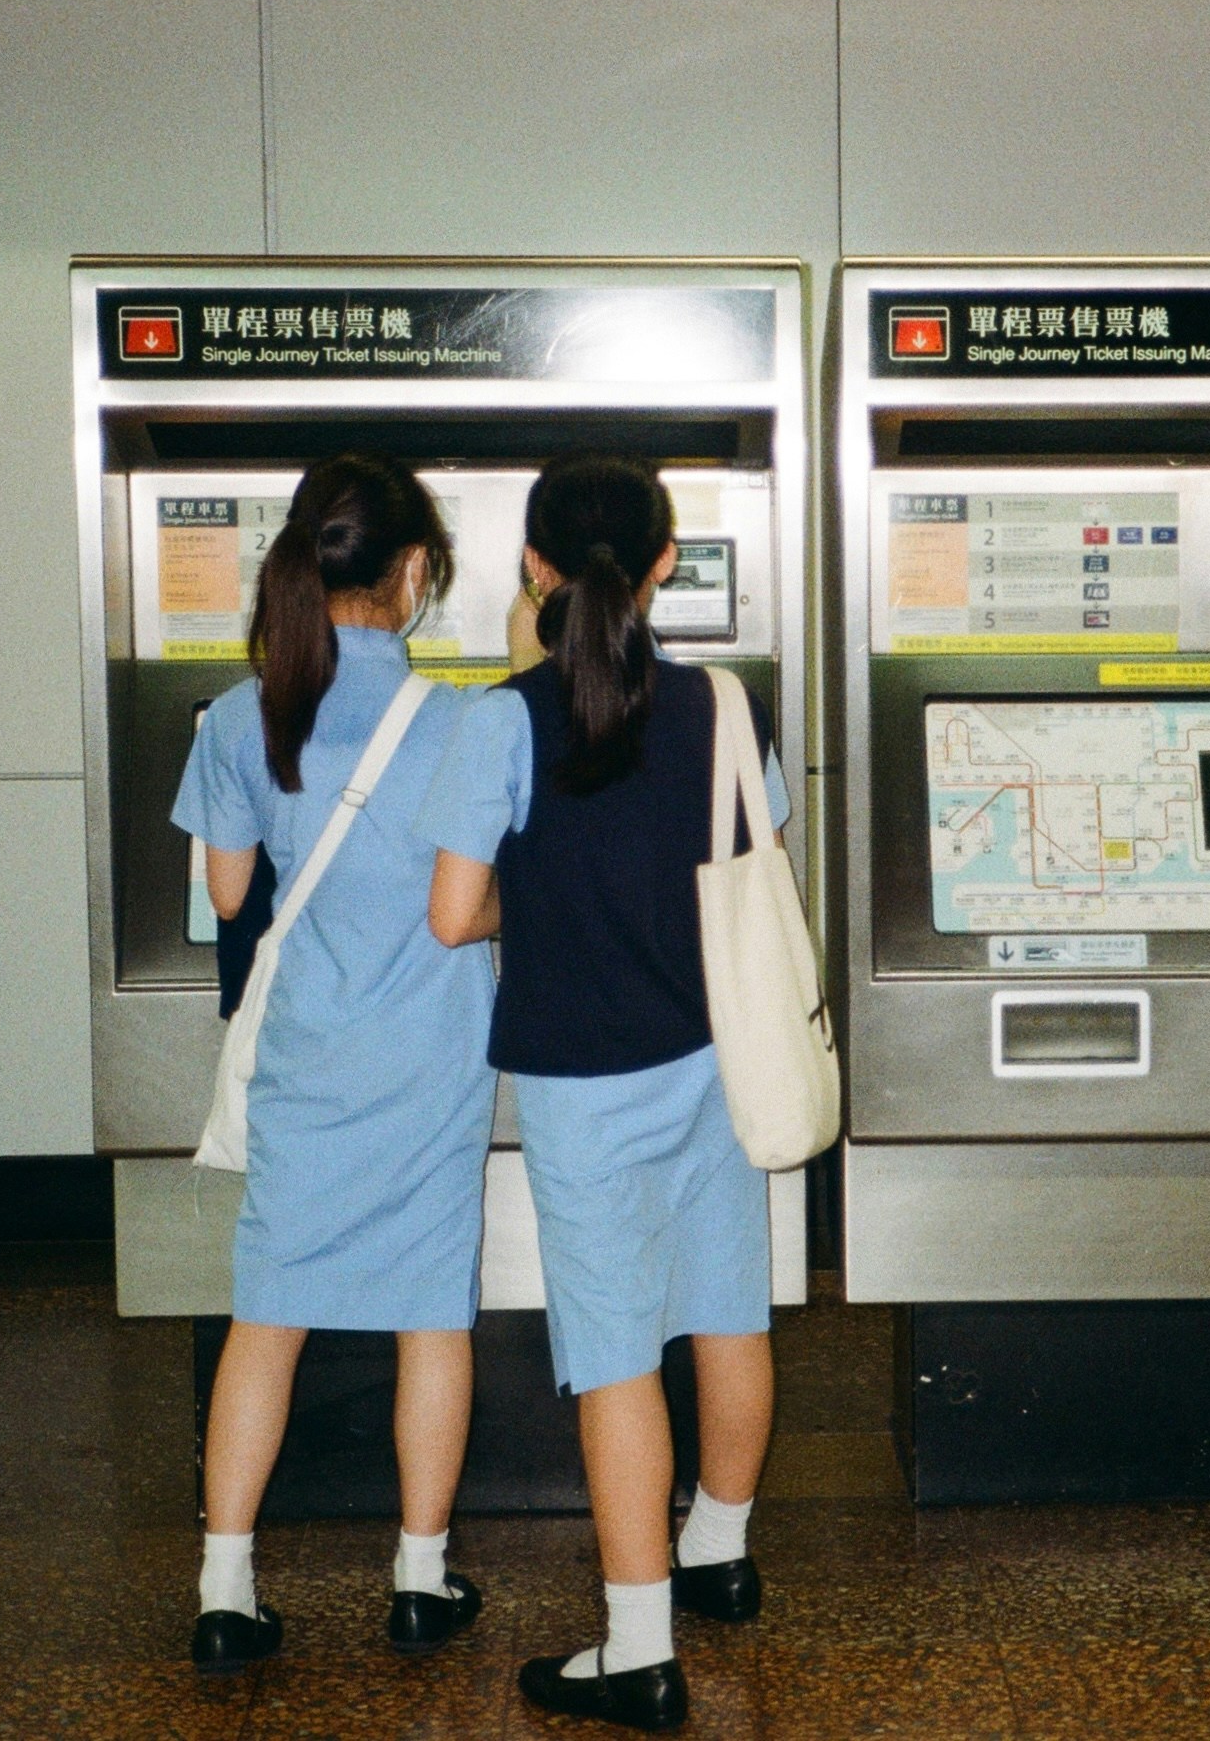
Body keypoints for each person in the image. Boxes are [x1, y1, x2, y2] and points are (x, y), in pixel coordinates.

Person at [420, 453, 786, 1734]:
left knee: (616, 1353)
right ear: (664, 565)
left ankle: (638, 1648)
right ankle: (720, 1551)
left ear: (529, 570)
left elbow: (454, 911)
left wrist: (556, 891)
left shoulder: (497, 719)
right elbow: (747, 863)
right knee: (729, 1302)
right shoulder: (723, 706)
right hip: (713, 1054)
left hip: (580, 1077)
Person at [172, 452, 496, 1674]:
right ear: (413, 572)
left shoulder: (235, 717)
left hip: (303, 1060)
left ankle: (225, 1583)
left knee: (268, 1315)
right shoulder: (473, 721)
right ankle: (419, 1576)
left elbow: (228, 890)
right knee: (429, 1317)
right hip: (430, 1057)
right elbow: (473, 898)